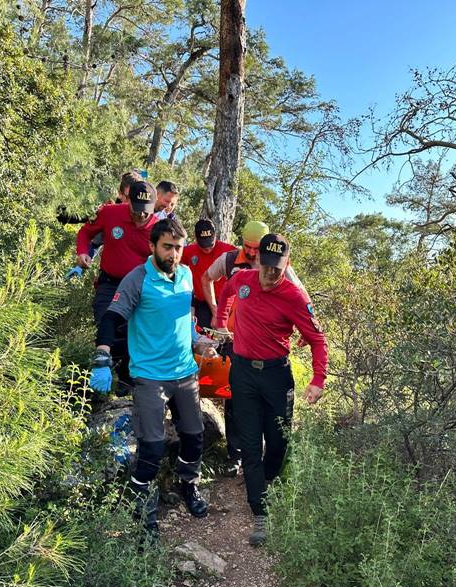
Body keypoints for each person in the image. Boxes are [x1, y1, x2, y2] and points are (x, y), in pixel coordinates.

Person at [89, 218, 211, 539]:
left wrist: (197, 340)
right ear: (153, 246)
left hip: (184, 371)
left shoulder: (185, 275)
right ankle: (143, 508)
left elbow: (185, 318)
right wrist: (102, 357)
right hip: (149, 376)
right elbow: (111, 318)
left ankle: (189, 484)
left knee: (195, 436)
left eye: (179, 248)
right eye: (167, 247)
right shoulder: (137, 279)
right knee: (152, 447)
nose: (174, 254)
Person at [214, 233, 328, 546]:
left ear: (286, 265)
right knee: (250, 444)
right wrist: (221, 321)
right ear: (257, 260)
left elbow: (317, 339)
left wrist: (318, 380)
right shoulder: (243, 280)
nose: (271, 273)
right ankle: (259, 509)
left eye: (278, 268)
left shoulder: (294, 296)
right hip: (243, 373)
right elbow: (225, 292)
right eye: (267, 266)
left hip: (277, 377)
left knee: (277, 441)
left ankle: (266, 477)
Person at [76, 181, 159, 387]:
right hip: (109, 283)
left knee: (132, 333)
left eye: (146, 211)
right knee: (105, 321)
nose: (141, 216)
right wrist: (83, 253)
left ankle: (126, 381)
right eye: (137, 209)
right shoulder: (110, 213)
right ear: (127, 199)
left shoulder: (158, 228)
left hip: (139, 289)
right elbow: (85, 232)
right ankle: (104, 369)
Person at [63, 171, 144, 279]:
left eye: (136, 198)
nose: (132, 203)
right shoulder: (110, 210)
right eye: (129, 197)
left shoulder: (149, 216)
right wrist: (83, 253)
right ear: (120, 194)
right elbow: (87, 231)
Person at [181, 218, 236, 330]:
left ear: (215, 236)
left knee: (226, 339)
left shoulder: (229, 251)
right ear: (196, 238)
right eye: (203, 245)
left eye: (210, 244)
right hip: (202, 304)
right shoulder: (189, 251)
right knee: (203, 337)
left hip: (225, 305)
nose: (207, 248)